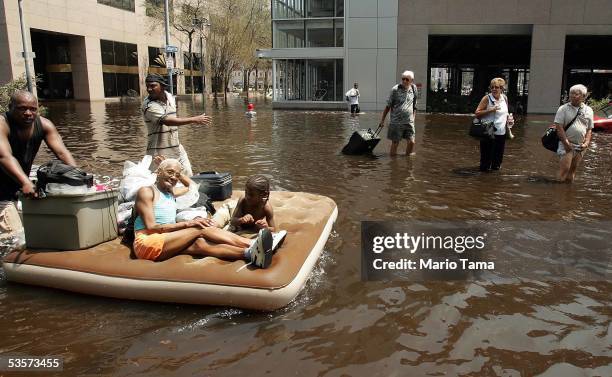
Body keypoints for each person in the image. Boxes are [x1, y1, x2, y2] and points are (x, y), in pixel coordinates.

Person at [133, 159, 275, 268]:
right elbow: (151, 227)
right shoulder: (147, 191)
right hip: (147, 242)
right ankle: (251, 243)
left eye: (176, 175)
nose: (174, 178)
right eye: (169, 172)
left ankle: (251, 254)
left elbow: (191, 186)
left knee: (200, 245)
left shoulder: (170, 192)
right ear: (158, 172)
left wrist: (178, 174)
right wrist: (188, 224)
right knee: (198, 228)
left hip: (165, 239)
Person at [0, 90, 76, 240]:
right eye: (22, 108)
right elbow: (4, 156)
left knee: (31, 232)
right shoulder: (3, 125)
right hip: (1, 192)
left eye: (33, 109)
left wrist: (79, 176)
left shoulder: (45, 125)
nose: (28, 113)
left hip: (17, 188)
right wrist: (26, 182)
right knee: (14, 238)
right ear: (10, 107)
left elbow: (62, 153)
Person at [142, 74, 212, 176]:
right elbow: (167, 121)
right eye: (147, 86)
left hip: (176, 148)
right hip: (159, 151)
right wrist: (194, 119)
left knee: (187, 174)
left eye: (153, 86)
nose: (149, 89)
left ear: (162, 86)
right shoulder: (149, 106)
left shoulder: (170, 97)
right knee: (162, 180)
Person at [554, 84, 593, 183]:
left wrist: (586, 143)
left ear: (584, 96)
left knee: (572, 172)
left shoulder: (589, 110)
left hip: (581, 146)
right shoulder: (563, 108)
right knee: (564, 170)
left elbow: (589, 129)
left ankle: (568, 194)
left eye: (576, 94)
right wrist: (566, 143)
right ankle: (558, 193)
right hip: (566, 144)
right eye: (571, 93)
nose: (573, 96)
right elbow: (559, 127)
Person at [474, 78, 511, 171]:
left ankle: (495, 182)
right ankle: (483, 181)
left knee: (497, 161)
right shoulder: (487, 98)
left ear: (501, 88)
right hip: (488, 130)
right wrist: (490, 109)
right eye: (492, 87)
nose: (494, 89)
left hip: (501, 132)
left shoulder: (504, 98)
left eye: (497, 87)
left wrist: (509, 120)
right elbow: (477, 113)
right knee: (485, 161)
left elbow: (506, 113)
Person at [379, 70, 418, 156]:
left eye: (407, 79)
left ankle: (408, 159)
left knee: (412, 142)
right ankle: (393, 162)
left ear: (412, 80)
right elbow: (388, 106)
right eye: (403, 79)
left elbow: (414, 106)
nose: (404, 81)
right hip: (396, 122)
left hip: (409, 122)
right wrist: (382, 121)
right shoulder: (395, 89)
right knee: (395, 143)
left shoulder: (414, 88)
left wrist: (413, 119)